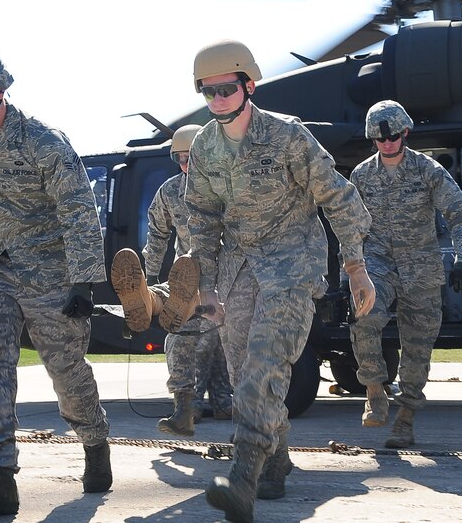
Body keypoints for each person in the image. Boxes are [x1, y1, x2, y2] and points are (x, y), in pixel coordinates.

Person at [184, 39, 375, 522]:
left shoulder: (288, 136)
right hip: (238, 269)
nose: (218, 99)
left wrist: (355, 265)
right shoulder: (205, 145)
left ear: (249, 84)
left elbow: (339, 197)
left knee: (263, 370)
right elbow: (202, 216)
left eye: (227, 88)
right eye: (207, 92)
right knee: (241, 374)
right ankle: (277, 463)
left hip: (291, 264)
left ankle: (243, 478)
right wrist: (204, 284)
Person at [0, 43, 112, 515]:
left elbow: (78, 210)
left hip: (50, 272)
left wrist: (84, 281)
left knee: (66, 370)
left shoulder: (42, 142)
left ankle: (95, 443)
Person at [349, 100, 462, 449]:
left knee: (418, 345)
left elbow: (461, 215)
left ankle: (406, 417)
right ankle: (375, 390)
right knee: (365, 317)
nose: (387, 143)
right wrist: (349, 272)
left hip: (420, 266)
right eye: (380, 139)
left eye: (393, 136)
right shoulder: (362, 175)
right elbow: (348, 227)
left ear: (405, 132)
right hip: (377, 261)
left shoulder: (429, 171)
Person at [142, 124, 233, 435]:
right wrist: (150, 275)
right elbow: (157, 232)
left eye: (191, 157)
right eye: (179, 159)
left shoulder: (227, 186)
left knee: (218, 339)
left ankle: (223, 402)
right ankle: (185, 406)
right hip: (188, 278)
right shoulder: (169, 192)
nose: (185, 165)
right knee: (179, 334)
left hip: (229, 275)